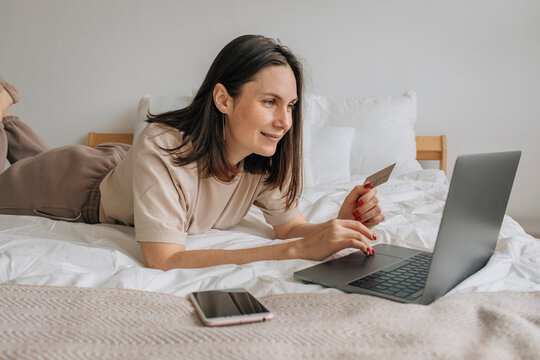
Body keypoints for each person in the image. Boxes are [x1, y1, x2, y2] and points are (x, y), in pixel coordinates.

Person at [0, 35, 385, 270]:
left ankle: (8, 121)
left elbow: (289, 226)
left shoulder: (262, 155)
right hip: (77, 190)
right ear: (223, 99)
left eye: (290, 106)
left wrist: (338, 225)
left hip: (130, 170)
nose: (284, 121)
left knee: (36, 155)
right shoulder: (161, 144)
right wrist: (298, 250)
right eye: (270, 101)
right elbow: (164, 259)